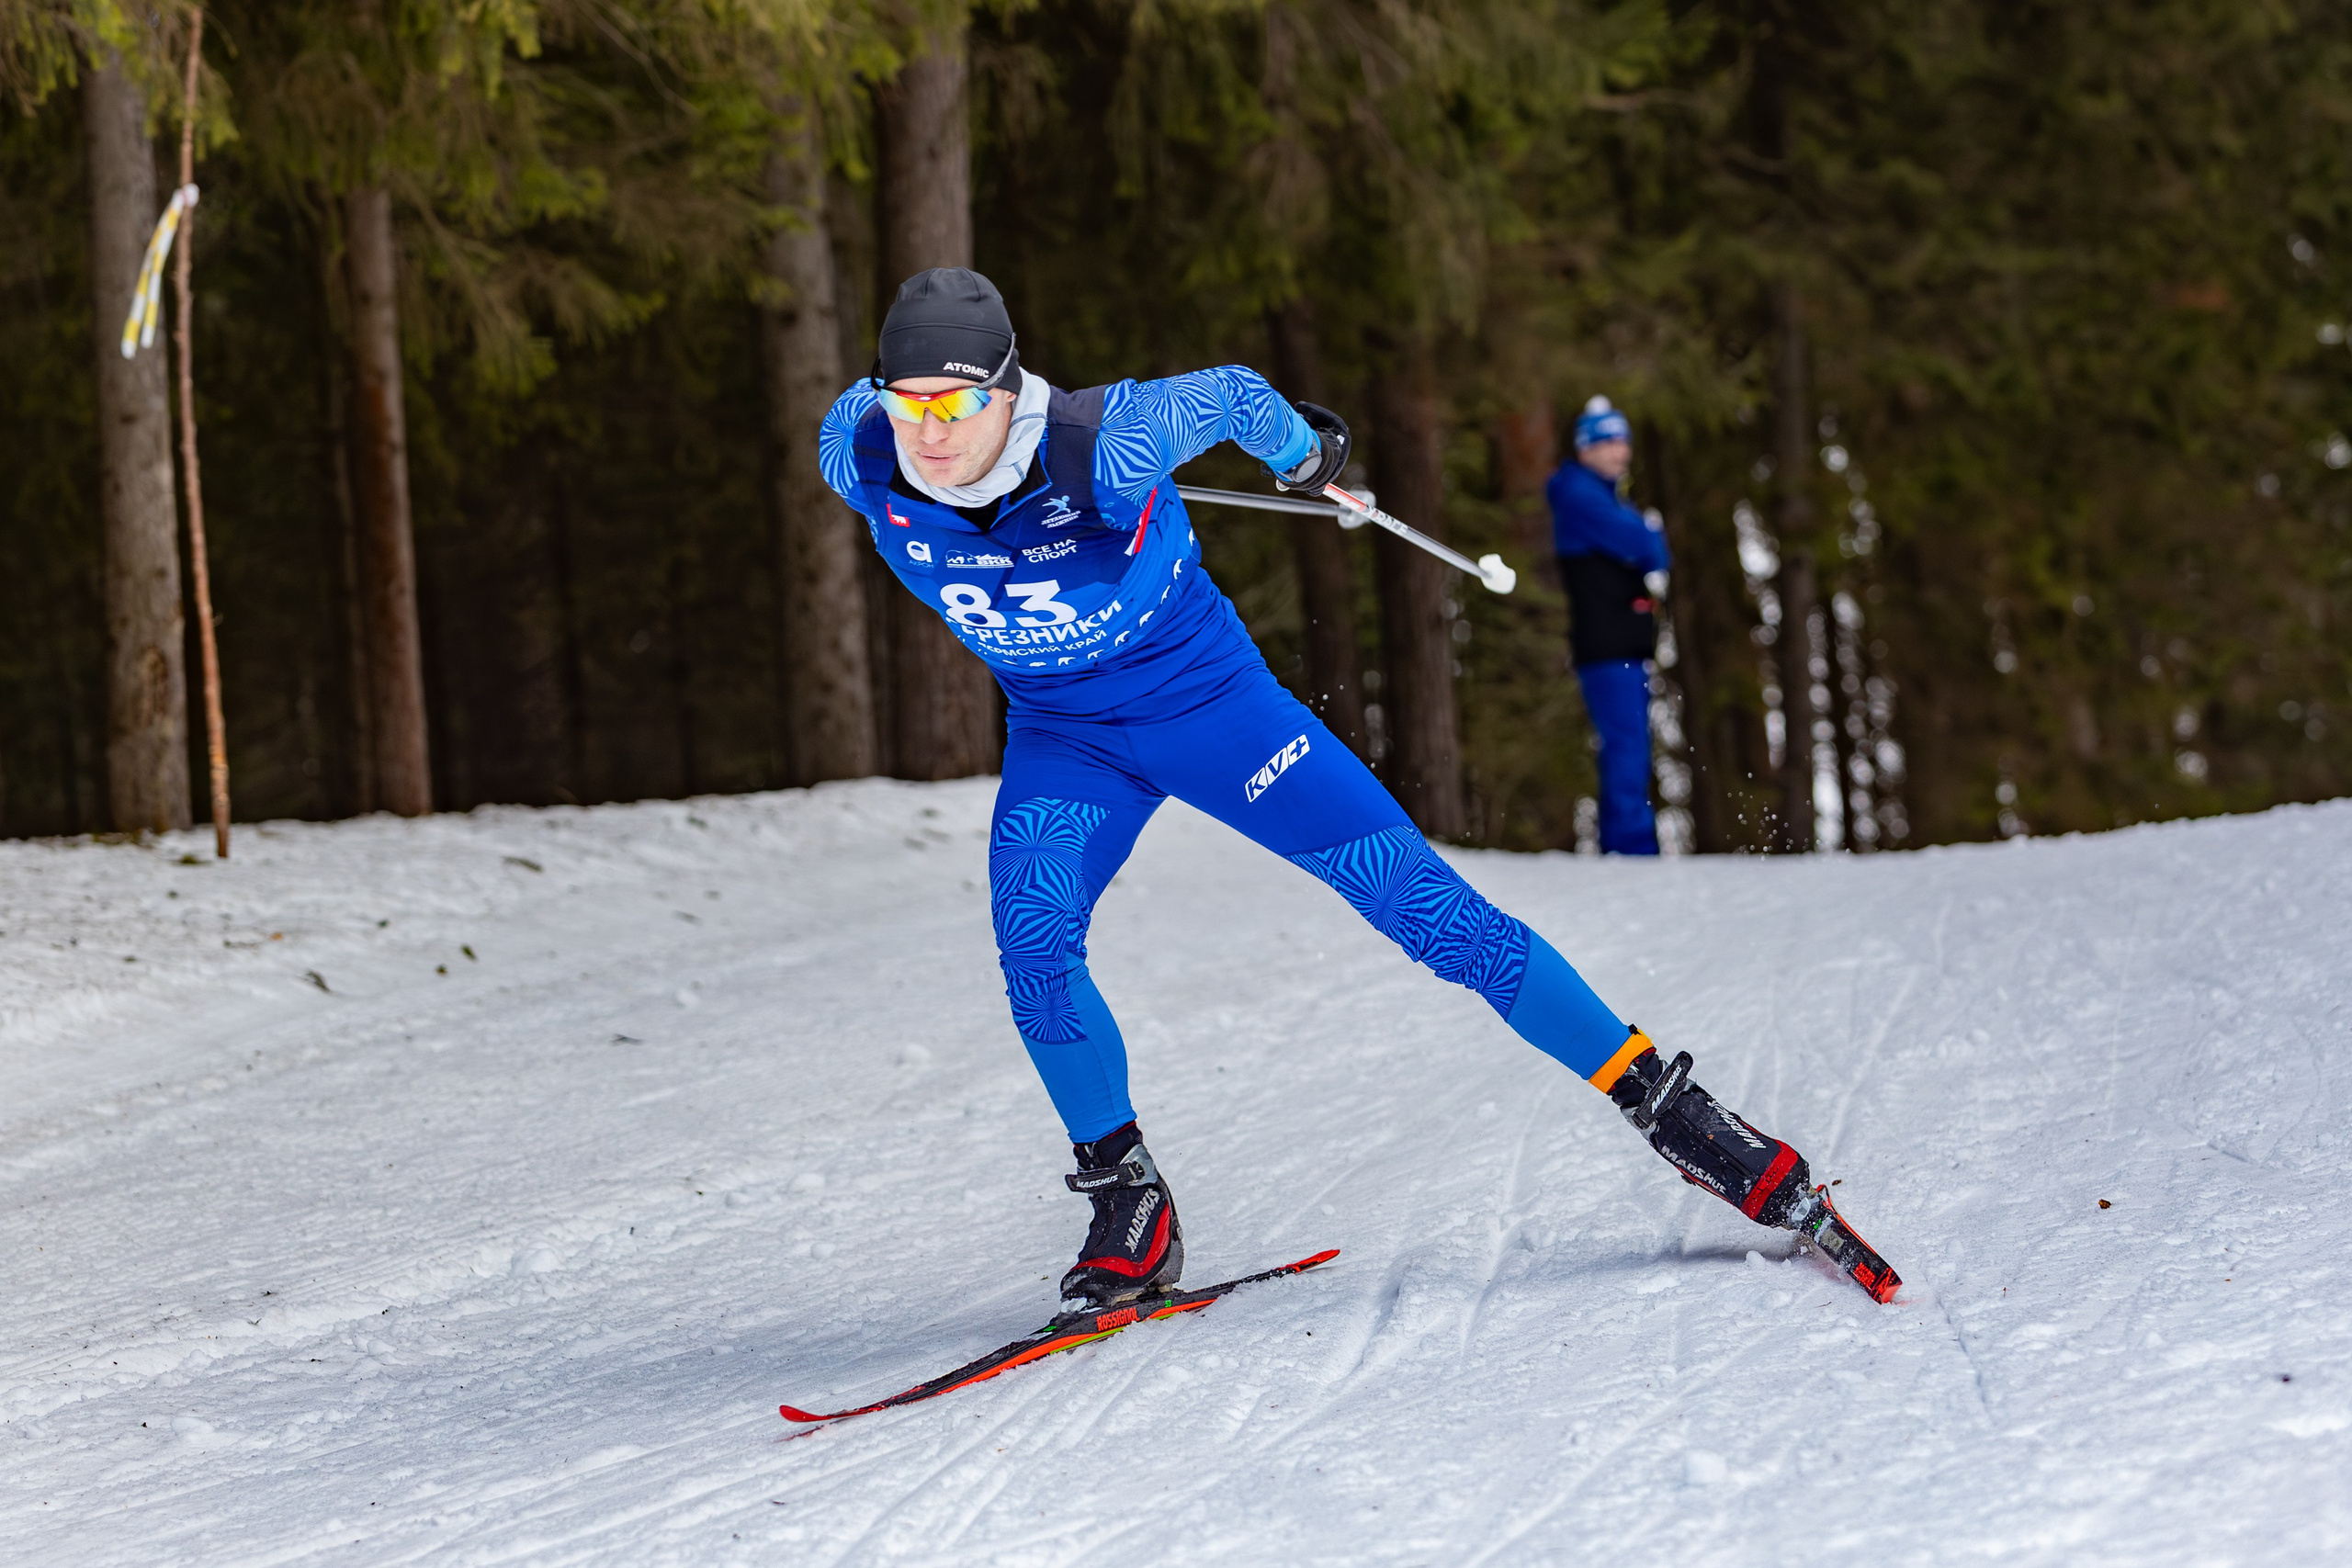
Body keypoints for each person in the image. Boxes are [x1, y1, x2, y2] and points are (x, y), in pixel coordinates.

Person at [820, 269, 1851, 1312]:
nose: (931, 431)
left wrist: (1304, 456)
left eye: (955, 404)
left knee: (1431, 917)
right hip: (1065, 739)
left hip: (1215, 713)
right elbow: (885, 435)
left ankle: (1674, 1113)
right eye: (909, 403)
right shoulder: (857, 450)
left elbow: (1229, 394)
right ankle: (1127, 1196)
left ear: (1008, 389)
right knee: (1034, 945)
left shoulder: (1109, 442)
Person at [1545, 396, 1669, 856]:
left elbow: (1650, 549)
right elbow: (1648, 545)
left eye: (1624, 442)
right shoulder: (1578, 494)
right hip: (1607, 645)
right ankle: (1632, 849)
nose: (1621, 452)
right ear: (1585, 448)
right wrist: (1647, 531)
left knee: (1631, 744)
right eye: (1609, 442)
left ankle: (1630, 845)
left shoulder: (1601, 495)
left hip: (1622, 643)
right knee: (1626, 745)